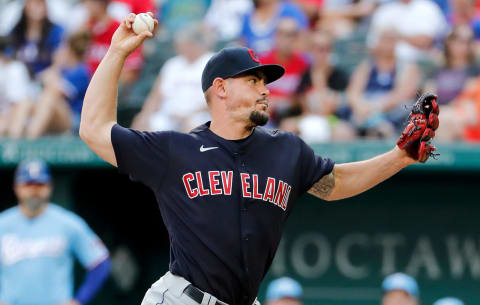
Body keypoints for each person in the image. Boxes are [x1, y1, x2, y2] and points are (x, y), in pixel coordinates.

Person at [79, 13, 438, 305]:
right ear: (220, 88)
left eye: (264, 82)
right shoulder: (176, 150)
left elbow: (336, 183)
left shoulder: (286, 149)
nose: (265, 89)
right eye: (252, 81)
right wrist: (117, 53)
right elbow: (94, 130)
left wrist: (400, 156)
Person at [0, 159, 111, 305]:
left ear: (49, 187)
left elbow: (100, 262)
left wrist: (79, 301)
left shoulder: (68, 223)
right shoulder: (3, 223)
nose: (34, 190)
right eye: (28, 184)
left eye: (40, 184)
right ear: (16, 187)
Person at [131, 23, 215, 132]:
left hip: (199, 115)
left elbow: (217, 99)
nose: (179, 48)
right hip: (168, 116)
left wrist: (188, 115)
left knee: (193, 128)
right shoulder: (172, 64)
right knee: (141, 123)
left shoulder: (212, 62)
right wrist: (145, 114)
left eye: (184, 44)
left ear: (194, 44)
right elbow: (156, 95)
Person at [347, 28, 420, 138]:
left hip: (392, 115)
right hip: (365, 112)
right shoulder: (366, 67)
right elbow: (353, 93)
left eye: (392, 40)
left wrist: (376, 107)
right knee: (343, 130)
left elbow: (403, 94)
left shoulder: (406, 68)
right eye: (385, 39)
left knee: (384, 129)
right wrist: (360, 106)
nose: (388, 44)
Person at [18, 31, 91, 138]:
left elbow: (56, 91)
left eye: (61, 48)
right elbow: (37, 81)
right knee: (25, 102)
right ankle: (15, 142)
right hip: (51, 115)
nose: (58, 51)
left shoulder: (81, 71)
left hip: (73, 120)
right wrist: (55, 68)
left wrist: (56, 66)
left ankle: (30, 140)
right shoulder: (62, 70)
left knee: (49, 97)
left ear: (69, 50)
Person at [423, 25, 479, 106]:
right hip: (436, 112)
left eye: (469, 41)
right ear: (449, 42)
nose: (465, 46)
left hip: (459, 112)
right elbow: (428, 95)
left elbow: (467, 98)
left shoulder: (475, 71)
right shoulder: (438, 69)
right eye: (460, 41)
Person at [8, 0, 64, 78]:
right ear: (25, 6)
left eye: (40, 3)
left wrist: (41, 77)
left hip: (45, 78)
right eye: (33, 3)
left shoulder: (56, 31)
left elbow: (59, 63)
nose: (37, 8)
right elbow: (7, 58)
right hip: (20, 79)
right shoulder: (16, 32)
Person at [240, 0, 309, 55]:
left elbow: (302, 43)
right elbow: (243, 46)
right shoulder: (247, 16)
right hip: (255, 69)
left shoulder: (291, 11)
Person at [0, 36, 32, 138]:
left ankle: (13, 147)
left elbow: (18, 104)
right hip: (3, 117)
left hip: (19, 118)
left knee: (23, 106)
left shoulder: (17, 68)